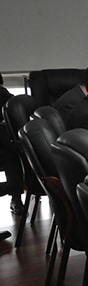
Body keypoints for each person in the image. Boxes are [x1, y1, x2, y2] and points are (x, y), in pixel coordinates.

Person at [0, 73, 24, 216]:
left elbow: (14, 117)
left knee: (12, 155)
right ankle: (15, 195)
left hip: (4, 147)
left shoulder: (3, 95)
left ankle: (16, 197)